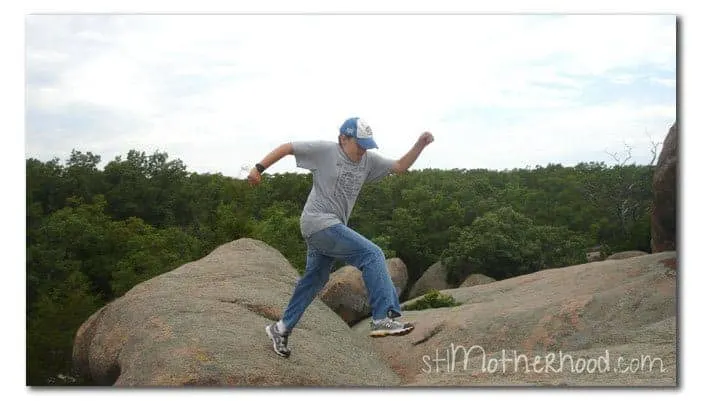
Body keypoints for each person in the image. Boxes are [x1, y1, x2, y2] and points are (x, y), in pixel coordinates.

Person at [248, 117, 434, 358]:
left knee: (314, 280)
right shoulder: (326, 151)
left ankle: (280, 328)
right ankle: (383, 318)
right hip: (318, 222)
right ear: (343, 139)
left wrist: (420, 145)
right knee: (372, 254)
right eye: (360, 144)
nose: (363, 150)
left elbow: (399, 167)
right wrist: (258, 168)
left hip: (328, 229)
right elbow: (288, 147)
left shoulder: (367, 160)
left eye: (367, 145)